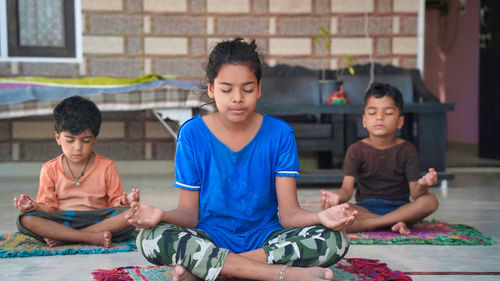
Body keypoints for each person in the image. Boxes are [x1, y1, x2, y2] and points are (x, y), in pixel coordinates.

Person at [125, 38, 358, 281]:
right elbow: (188, 214)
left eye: (247, 89)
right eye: (226, 89)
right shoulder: (192, 134)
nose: (237, 98)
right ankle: (283, 275)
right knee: (150, 238)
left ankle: (211, 270)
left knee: (335, 239)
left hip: (264, 239)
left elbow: (289, 215)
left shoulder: (279, 133)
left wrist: (320, 217)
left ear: (259, 88)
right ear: (211, 88)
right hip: (210, 238)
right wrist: (160, 215)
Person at [13, 95, 139, 248]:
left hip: (97, 218)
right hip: (61, 218)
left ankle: (65, 238)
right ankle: (88, 237)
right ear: (58, 138)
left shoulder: (107, 166)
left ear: (94, 139)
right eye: (70, 140)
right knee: (24, 218)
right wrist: (34, 206)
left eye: (85, 140)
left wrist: (126, 201)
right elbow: (49, 207)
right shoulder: (49, 169)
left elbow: (115, 204)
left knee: (133, 213)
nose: (78, 147)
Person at [320, 82, 439, 235]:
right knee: (338, 211)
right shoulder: (355, 150)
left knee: (430, 201)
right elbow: (346, 190)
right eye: (372, 113)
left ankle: (372, 224)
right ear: (364, 120)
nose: (379, 117)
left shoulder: (407, 149)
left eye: (388, 113)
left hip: (400, 208)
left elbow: (416, 195)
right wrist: (336, 197)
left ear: (400, 121)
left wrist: (423, 184)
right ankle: (394, 223)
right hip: (365, 208)